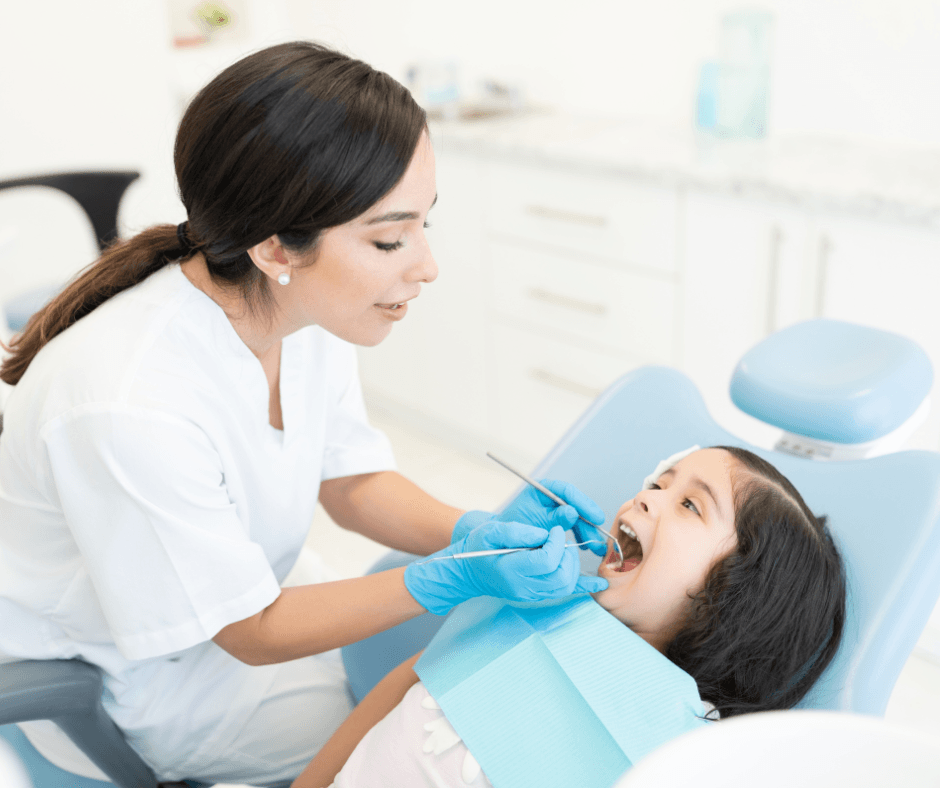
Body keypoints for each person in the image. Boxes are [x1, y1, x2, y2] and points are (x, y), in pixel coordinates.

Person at [0, 42, 607, 785]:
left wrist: (474, 535)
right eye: (389, 238)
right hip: (145, 676)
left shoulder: (293, 310)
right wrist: (447, 578)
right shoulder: (130, 402)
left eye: (425, 224)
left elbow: (349, 483)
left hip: (247, 591)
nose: (426, 265)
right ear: (275, 246)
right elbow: (249, 632)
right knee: (415, 738)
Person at [291, 446, 848, 788]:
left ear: (737, 599)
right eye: (659, 481)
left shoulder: (687, 749)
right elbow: (403, 689)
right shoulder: (534, 608)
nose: (645, 498)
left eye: (689, 505)